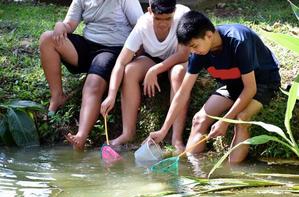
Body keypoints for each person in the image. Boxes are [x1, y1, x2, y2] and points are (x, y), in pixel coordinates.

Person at [148, 11, 281, 163]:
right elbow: (182, 92)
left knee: (241, 118)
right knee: (199, 120)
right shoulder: (198, 53)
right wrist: (164, 129)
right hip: (232, 84)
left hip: (263, 83)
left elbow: (250, 89)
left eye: (194, 45)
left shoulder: (238, 41)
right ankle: (196, 174)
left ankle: (233, 173)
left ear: (209, 35)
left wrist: (225, 121)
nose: (192, 51)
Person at [39, 0, 143, 151]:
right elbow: (70, 25)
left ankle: (81, 136)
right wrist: (60, 25)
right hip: (88, 46)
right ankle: (57, 96)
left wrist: (136, 55)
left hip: (113, 50)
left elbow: (141, 26)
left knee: (92, 84)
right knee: (47, 38)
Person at [100, 0, 190, 153]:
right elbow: (121, 63)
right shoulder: (142, 25)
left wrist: (155, 70)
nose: (162, 24)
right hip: (153, 59)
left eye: (168, 19)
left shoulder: (183, 16)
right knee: (130, 70)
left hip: (180, 60)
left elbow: (183, 54)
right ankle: (128, 133)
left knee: (177, 74)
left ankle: (176, 138)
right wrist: (111, 95)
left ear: (174, 12)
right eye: (157, 19)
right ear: (149, 11)